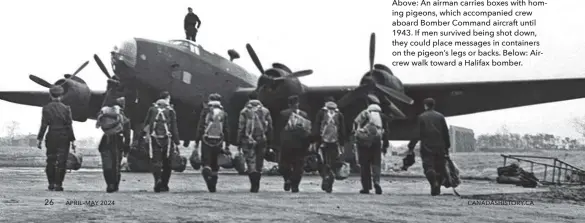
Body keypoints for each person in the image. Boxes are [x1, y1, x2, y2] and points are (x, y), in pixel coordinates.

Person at [36, 85, 76, 191]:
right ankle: (59, 184)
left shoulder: (46, 108)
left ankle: (51, 184)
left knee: (51, 160)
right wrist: (73, 140)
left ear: (50, 95)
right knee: (62, 161)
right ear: (62, 95)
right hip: (64, 136)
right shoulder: (67, 109)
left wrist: (39, 139)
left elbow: (44, 125)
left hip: (52, 135)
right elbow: (69, 125)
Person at [142, 91, 181, 192]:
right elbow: (174, 127)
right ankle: (164, 184)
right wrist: (177, 141)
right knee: (167, 163)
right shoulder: (171, 110)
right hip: (167, 140)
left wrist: (143, 136)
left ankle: (157, 180)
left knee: (156, 161)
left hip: (154, 139)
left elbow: (146, 124)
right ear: (168, 98)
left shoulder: (152, 109)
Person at [411, 98, 451, 196]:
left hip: (427, 146)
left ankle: (434, 183)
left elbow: (417, 134)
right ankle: (437, 188)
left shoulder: (421, 117)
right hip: (440, 146)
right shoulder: (440, 116)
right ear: (433, 105)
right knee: (440, 167)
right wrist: (447, 146)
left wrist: (411, 146)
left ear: (425, 105)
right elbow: (445, 132)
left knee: (428, 167)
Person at [353, 95, 390, 195]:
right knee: (376, 164)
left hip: (364, 143)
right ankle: (376, 182)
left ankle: (366, 187)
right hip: (377, 142)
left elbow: (355, 125)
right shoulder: (383, 116)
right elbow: (386, 132)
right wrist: (385, 144)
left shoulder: (364, 114)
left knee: (364, 165)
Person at [237, 91, 273, 193]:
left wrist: (239, 140)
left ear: (249, 98)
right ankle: (257, 182)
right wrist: (270, 140)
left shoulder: (244, 111)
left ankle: (254, 184)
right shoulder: (265, 111)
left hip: (248, 140)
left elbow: (241, 127)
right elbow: (270, 127)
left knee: (250, 161)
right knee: (259, 162)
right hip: (262, 139)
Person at [194, 93, 230, 192]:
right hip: (218, 141)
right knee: (215, 164)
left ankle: (207, 174)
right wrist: (227, 144)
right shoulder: (223, 113)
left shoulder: (205, 111)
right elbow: (226, 129)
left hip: (206, 140)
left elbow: (200, 127)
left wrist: (197, 141)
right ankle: (213, 185)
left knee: (206, 162)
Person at [96, 97, 131, 193]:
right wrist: (126, 153)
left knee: (107, 164)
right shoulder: (125, 120)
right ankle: (114, 185)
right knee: (116, 165)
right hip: (118, 142)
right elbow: (127, 137)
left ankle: (109, 184)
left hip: (105, 141)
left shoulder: (105, 115)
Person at [278, 95, 311, 193]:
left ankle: (287, 178)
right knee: (299, 165)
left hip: (287, 143)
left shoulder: (283, 114)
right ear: (298, 103)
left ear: (289, 104)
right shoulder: (304, 114)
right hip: (300, 144)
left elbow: (279, 129)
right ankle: (295, 184)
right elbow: (307, 129)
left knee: (284, 163)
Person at [313, 96, 346, 193]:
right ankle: (330, 176)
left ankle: (325, 175)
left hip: (322, 141)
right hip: (335, 142)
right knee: (333, 161)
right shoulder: (339, 114)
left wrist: (314, 140)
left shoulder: (321, 112)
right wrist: (342, 143)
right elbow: (342, 130)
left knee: (321, 161)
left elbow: (316, 126)